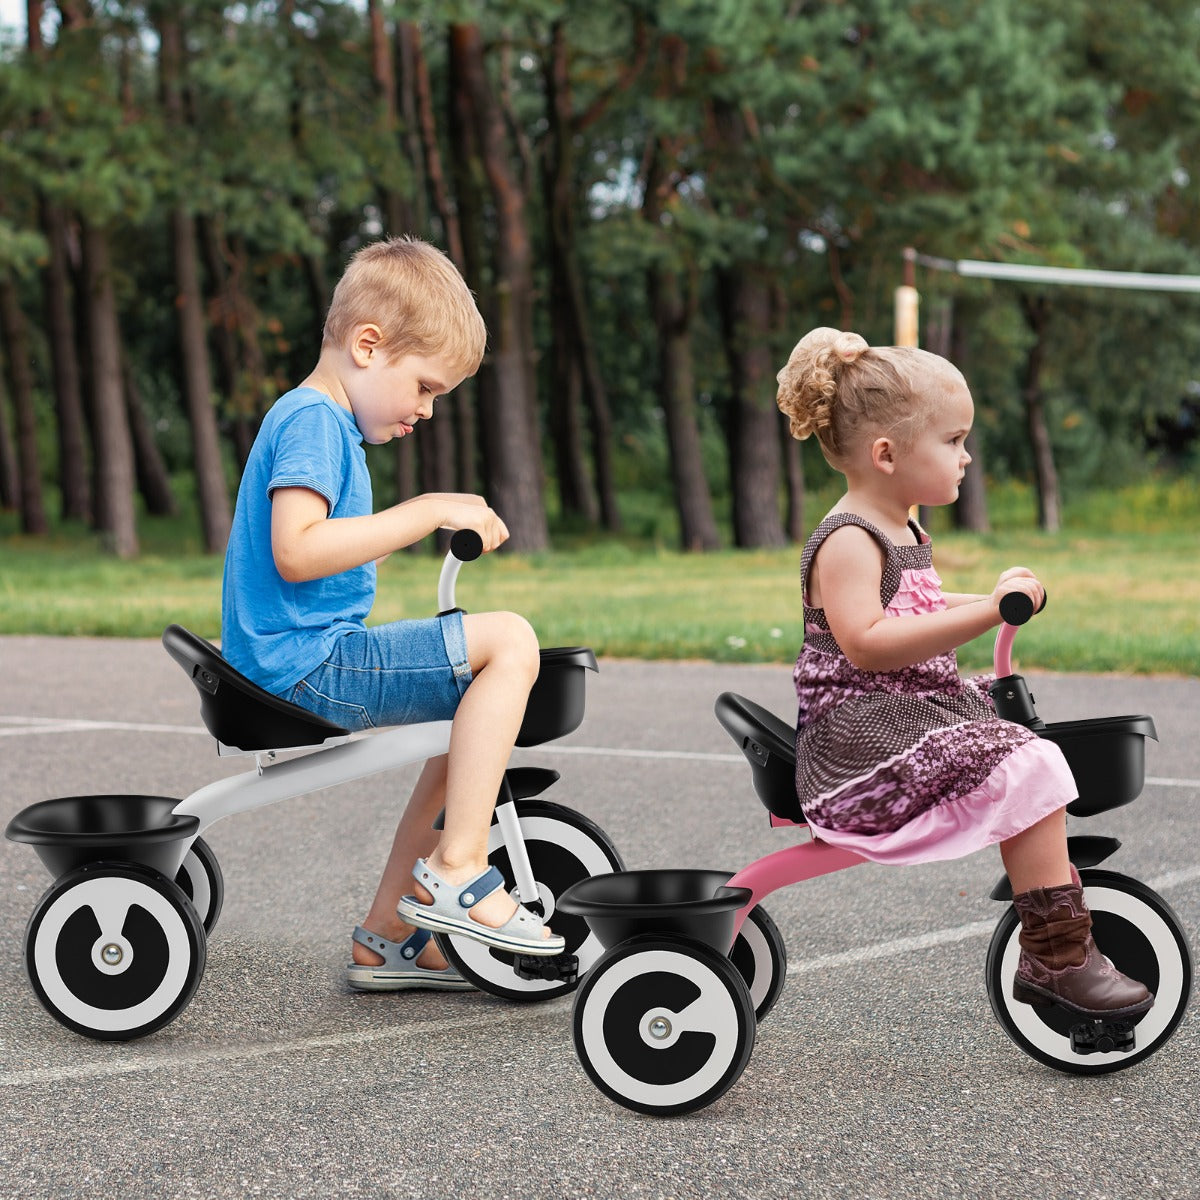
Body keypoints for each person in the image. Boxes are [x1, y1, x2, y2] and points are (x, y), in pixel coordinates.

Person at [775, 327, 1152, 1021]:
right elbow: (867, 645)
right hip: (862, 748)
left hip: (908, 714)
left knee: (1021, 741)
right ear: (886, 455)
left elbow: (918, 604)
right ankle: (1056, 957)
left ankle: (1053, 920)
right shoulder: (849, 539)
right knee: (1028, 761)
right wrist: (987, 613)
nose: (967, 455)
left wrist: (990, 598)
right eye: (952, 440)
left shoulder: (900, 527)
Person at [221, 236, 563, 994]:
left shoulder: (323, 423)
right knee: (510, 640)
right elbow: (296, 551)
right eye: (425, 387)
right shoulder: (313, 420)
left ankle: (393, 931)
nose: (427, 410)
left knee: (468, 722)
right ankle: (458, 864)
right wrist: (428, 509)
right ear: (368, 346)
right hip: (306, 664)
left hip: (306, 655)